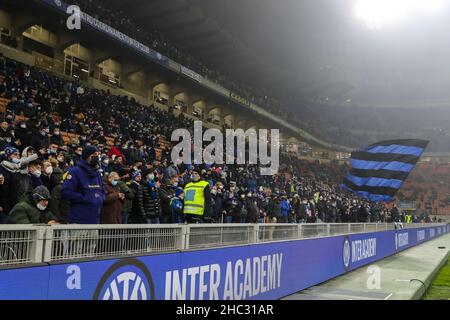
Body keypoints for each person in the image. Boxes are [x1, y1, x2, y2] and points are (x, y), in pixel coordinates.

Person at [61, 146, 105, 224]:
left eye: (98, 154)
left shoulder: (97, 174)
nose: (97, 157)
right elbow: (66, 192)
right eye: (94, 154)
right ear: (87, 156)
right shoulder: (74, 172)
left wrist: (101, 198)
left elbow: (102, 190)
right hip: (78, 221)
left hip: (95, 221)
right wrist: (85, 198)